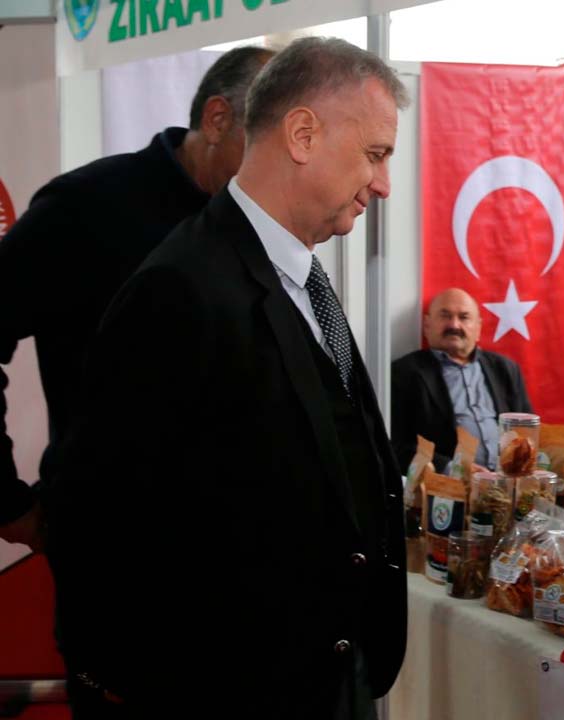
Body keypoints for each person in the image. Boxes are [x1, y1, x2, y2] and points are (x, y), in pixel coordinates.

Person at [46, 38, 408, 719]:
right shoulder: (179, 288)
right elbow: (98, 514)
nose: (384, 182)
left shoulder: (297, 273)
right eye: (375, 153)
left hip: (328, 675)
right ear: (302, 134)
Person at [0, 45, 274, 551]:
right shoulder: (85, 206)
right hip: (114, 547)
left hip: (238, 543)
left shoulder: (261, 222)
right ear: (217, 119)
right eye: (267, 147)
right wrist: (7, 502)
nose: (278, 174)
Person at [391, 288, 533, 474]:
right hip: (447, 486)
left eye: (464, 317)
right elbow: (396, 445)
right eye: (445, 316)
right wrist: (453, 469)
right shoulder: (404, 373)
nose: (454, 325)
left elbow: (527, 432)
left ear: (478, 328)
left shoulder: (505, 369)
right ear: (427, 325)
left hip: (508, 480)